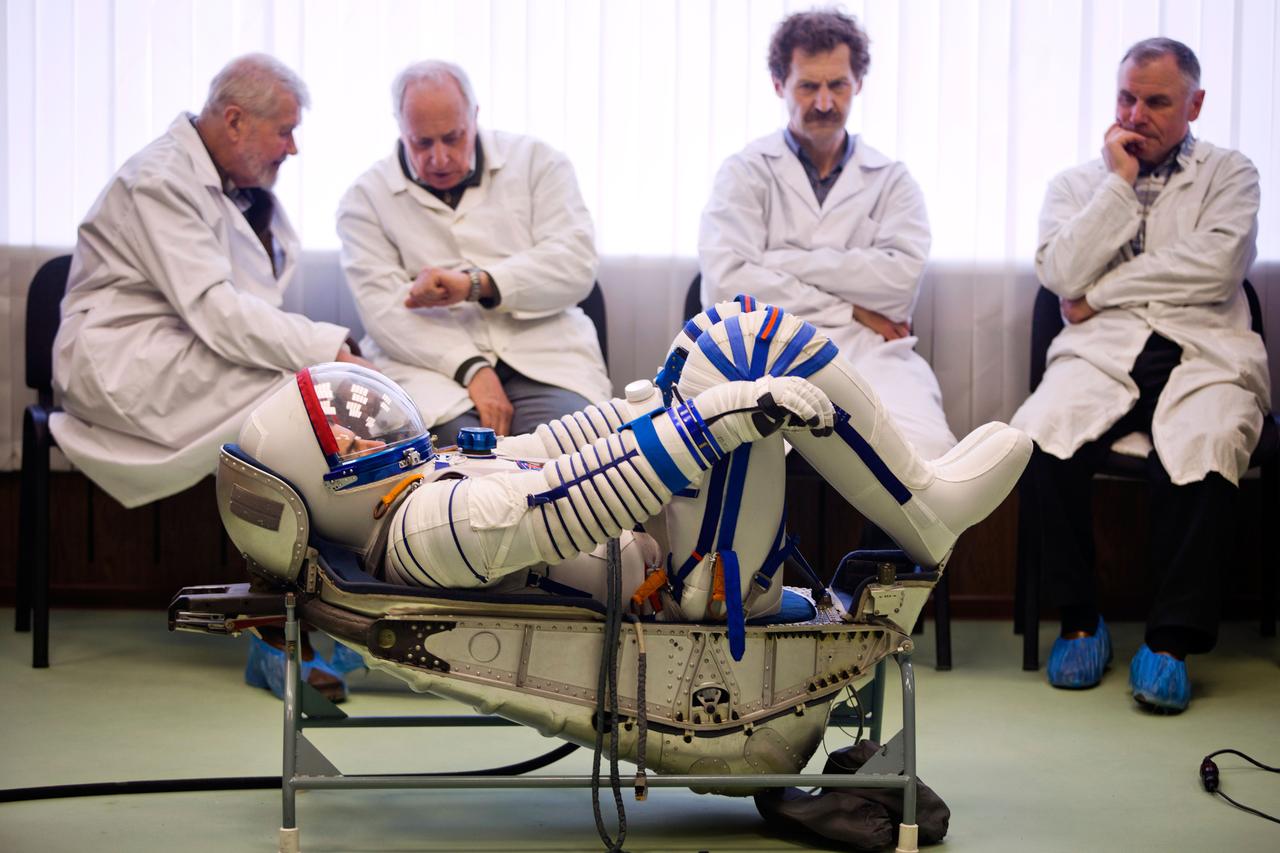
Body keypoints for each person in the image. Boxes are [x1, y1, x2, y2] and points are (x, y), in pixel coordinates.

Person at [234, 298, 1031, 693]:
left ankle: (927, 505)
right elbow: (574, 500)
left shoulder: (421, 489)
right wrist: (709, 421)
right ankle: (928, 508)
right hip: (682, 598)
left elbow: (557, 449)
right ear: (326, 482)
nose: (372, 433)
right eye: (350, 439)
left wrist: (652, 410)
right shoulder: (426, 528)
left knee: (718, 333)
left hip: (669, 555)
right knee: (749, 349)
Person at [1011, 38, 1267, 713]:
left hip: (1203, 349)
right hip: (1102, 352)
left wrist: (1103, 291)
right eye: (1127, 97)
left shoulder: (1231, 173)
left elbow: (1217, 268)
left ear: (1195, 104)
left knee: (1207, 446)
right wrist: (1116, 186)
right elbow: (1061, 275)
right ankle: (1078, 619)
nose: (1137, 113)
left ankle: (1171, 641)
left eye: (1157, 101)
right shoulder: (1078, 184)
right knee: (1036, 438)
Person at [51, 53, 369, 509]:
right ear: (236, 121)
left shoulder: (229, 186)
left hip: (182, 345)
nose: (293, 148)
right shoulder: (159, 181)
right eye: (284, 131)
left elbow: (241, 303)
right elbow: (218, 310)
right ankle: (308, 558)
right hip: (124, 357)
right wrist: (330, 349)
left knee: (305, 396)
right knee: (301, 400)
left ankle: (306, 556)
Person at [698, 9, 954, 462]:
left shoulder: (892, 180)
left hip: (871, 353)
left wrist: (776, 260)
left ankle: (883, 540)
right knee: (731, 459)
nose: (823, 102)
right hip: (762, 352)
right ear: (779, 85)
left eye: (837, 85)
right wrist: (851, 307)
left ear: (857, 84)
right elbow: (725, 284)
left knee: (927, 456)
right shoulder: (743, 172)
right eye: (808, 86)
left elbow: (897, 288)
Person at [337, 60, 610, 445]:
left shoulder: (539, 163)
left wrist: (474, 285)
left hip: (544, 354)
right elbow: (383, 310)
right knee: (450, 461)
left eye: (452, 138)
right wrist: (472, 368)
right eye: (422, 143)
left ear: (475, 116)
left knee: (567, 449)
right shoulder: (364, 199)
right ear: (400, 127)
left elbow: (574, 263)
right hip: (431, 370)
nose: (439, 158)